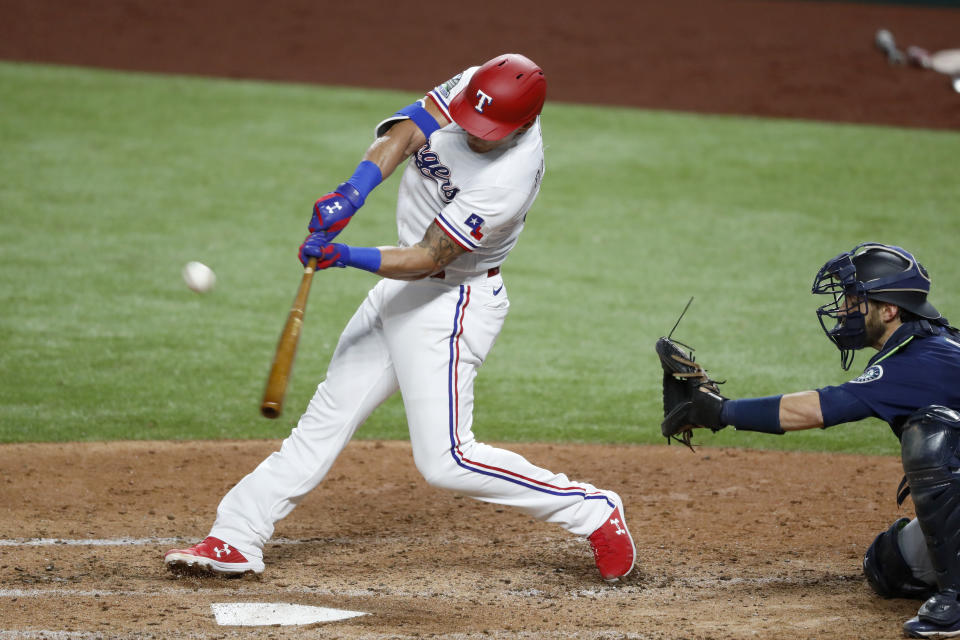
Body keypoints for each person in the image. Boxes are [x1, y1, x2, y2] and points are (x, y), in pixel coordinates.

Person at [164, 53, 636, 583]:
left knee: (447, 462)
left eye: (488, 133)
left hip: (450, 302)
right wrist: (352, 191)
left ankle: (593, 510)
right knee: (326, 418)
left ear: (521, 125)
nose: (474, 135)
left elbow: (430, 259)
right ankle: (236, 535)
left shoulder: (509, 179)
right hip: (398, 289)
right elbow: (410, 132)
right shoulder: (478, 85)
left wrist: (346, 255)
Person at [665, 242, 960, 638]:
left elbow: (820, 408)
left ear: (889, 310)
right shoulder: (928, 347)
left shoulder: (918, 360)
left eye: (854, 300)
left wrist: (720, 411)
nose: (842, 310)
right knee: (890, 567)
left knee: (931, 436)